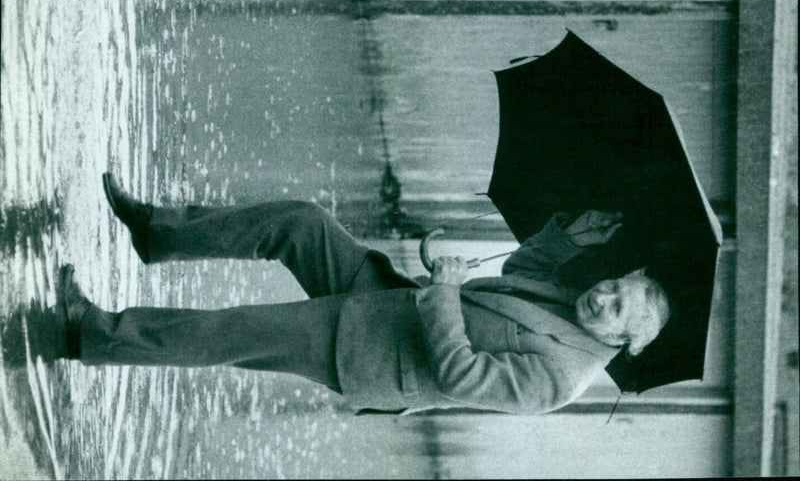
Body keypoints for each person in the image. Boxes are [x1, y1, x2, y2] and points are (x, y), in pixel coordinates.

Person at [58, 175, 670, 415]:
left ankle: (90, 334)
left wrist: (445, 291)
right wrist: (568, 235)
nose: (603, 296)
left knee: (234, 329)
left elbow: (459, 374)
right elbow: (524, 269)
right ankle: (159, 232)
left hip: (372, 355)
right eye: (614, 284)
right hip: (384, 298)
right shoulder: (572, 299)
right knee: (301, 223)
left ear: (623, 342)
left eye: (616, 308)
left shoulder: (560, 381)